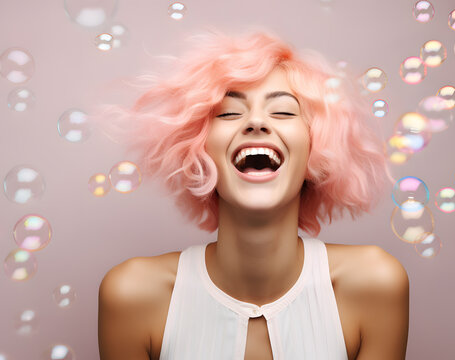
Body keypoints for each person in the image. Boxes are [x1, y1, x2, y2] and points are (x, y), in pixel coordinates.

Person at [97, 28, 409, 360]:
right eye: (230, 112)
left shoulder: (375, 284)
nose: (256, 121)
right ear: (197, 149)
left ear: (318, 148)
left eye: (284, 112)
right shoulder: (132, 294)